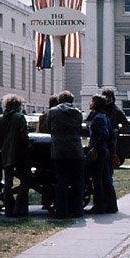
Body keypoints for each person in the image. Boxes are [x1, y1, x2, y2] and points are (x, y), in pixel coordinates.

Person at [47, 90, 85, 219]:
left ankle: (62, 211)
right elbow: (80, 129)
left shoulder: (53, 112)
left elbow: (48, 129)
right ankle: (77, 209)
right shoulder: (78, 113)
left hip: (59, 150)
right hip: (76, 149)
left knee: (62, 180)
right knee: (78, 181)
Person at [0, 94, 30, 217]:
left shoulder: (0, 119)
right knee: (25, 181)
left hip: (5, 152)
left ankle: (9, 209)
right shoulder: (20, 117)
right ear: (18, 106)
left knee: (8, 182)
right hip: (20, 153)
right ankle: (20, 208)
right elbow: (24, 136)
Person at [87, 94, 118, 214]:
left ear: (96, 104)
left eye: (91, 101)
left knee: (97, 179)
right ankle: (111, 205)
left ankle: (99, 206)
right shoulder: (104, 116)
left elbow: (105, 134)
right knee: (105, 179)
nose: (90, 103)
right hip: (104, 151)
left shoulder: (98, 118)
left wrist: (95, 148)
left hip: (98, 152)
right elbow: (111, 134)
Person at [101, 88, 130, 170]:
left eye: (108, 98)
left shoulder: (117, 111)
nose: (107, 100)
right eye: (105, 98)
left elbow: (127, 125)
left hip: (111, 139)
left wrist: (117, 131)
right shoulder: (99, 110)